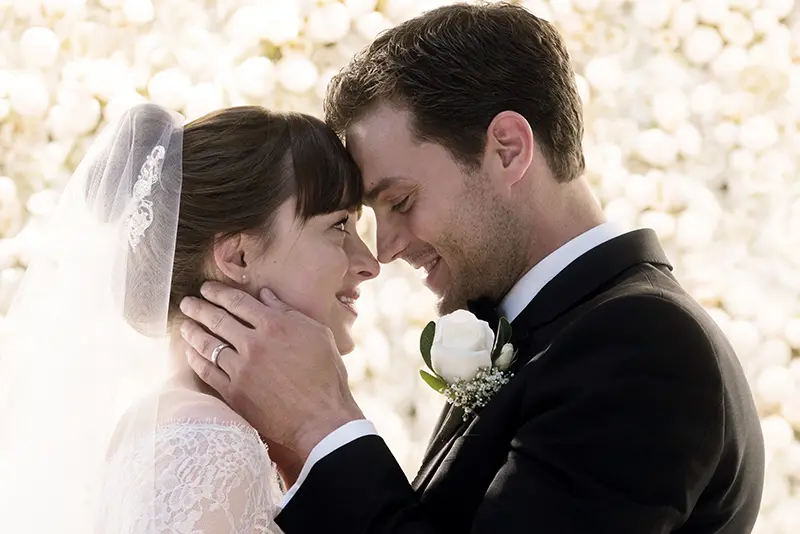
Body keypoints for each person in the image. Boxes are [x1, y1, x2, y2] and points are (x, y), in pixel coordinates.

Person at [180, 4, 765, 533]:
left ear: (507, 148)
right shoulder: (542, 327)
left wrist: (321, 425)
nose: (385, 250)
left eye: (401, 201)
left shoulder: (642, 346)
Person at [0, 102, 379, 533]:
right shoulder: (210, 442)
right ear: (238, 257)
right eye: (339, 225)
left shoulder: (170, 426)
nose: (370, 263)